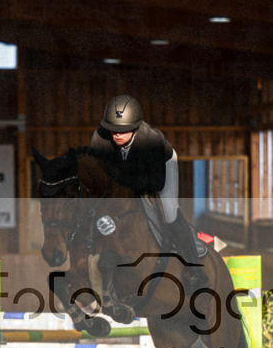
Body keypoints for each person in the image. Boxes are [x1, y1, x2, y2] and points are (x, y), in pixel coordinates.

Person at [89, 94, 209, 289]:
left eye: (124, 130)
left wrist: (120, 178)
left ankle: (195, 268)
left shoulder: (151, 140)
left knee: (169, 210)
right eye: (113, 129)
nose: (117, 134)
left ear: (136, 127)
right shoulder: (99, 138)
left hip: (160, 168)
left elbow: (156, 182)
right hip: (126, 173)